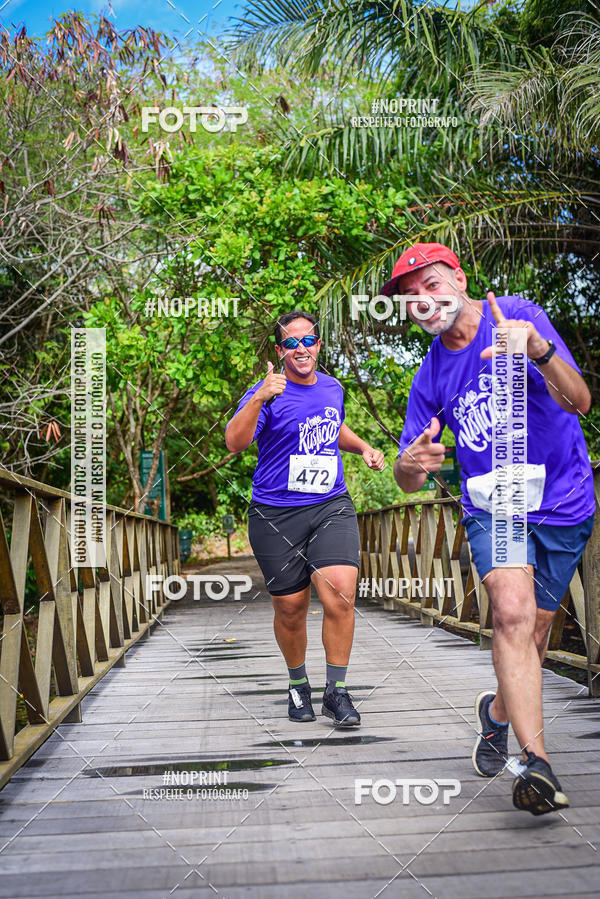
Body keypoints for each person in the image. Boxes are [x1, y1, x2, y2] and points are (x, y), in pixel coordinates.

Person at [386, 242, 595, 815]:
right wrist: (409, 467)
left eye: (431, 285)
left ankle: (497, 713)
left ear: (458, 277)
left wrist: (539, 349)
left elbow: (579, 401)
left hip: (564, 501)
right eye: (409, 298)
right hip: (495, 505)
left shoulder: (518, 316)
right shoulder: (429, 377)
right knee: (511, 613)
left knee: (536, 629)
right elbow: (408, 475)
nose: (423, 302)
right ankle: (536, 765)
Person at [225, 310, 385, 726]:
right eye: (291, 343)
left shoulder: (333, 388)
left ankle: (338, 691)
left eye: (308, 340)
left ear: (318, 345)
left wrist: (363, 447)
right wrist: (260, 396)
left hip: (330, 505)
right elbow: (234, 441)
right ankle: (298, 685)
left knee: (340, 592)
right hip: (276, 513)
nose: (301, 348)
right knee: (292, 608)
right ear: (280, 351)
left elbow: (334, 427)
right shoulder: (267, 391)